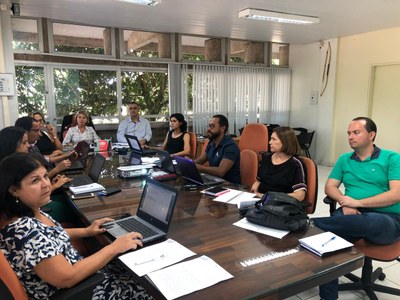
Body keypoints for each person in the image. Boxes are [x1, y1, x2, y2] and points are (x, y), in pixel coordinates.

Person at [0, 153, 152, 299]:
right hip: (82, 291)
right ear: (13, 190)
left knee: (135, 266)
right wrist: (113, 248)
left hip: (83, 278)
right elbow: (67, 278)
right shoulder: (25, 231)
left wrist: (87, 231)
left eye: (45, 176)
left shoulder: (28, 212)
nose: (46, 184)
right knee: (147, 284)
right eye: (35, 181)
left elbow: (52, 234)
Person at [313, 117, 400, 300]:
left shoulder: (392, 158)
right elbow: (330, 187)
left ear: (371, 135)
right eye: (349, 133)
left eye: (356, 132)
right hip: (349, 215)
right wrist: (344, 202)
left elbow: (396, 194)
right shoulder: (344, 159)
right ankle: (328, 298)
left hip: (387, 219)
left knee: (373, 221)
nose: (350, 137)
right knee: (328, 244)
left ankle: (310, 224)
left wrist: (357, 203)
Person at [0, 126, 71, 192]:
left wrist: (50, 183)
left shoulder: (15, 163)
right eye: (24, 143)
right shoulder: (14, 169)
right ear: (12, 146)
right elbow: (33, 196)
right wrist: (55, 186)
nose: (28, 145)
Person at [250, 126, 307, 201]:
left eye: (274, 139)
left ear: (285, 142)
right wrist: (253, 194)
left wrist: (267, 197)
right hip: (261, 201)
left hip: (280, 205)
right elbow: (258, 181)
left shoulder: (295, 164)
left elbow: (300, 195)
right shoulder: (266, 158)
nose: (270, 142)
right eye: (271, 139)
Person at [194, 114, 241, 184]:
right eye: (209, 126)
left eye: (212, 126)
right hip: (215, 181)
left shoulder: (230, 146)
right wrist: (187, 164)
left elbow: (221, 171)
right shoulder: (211, 142)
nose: (209, 129)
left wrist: (200, 168)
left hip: (230, 186)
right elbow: (201, 160)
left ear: (222, 128)